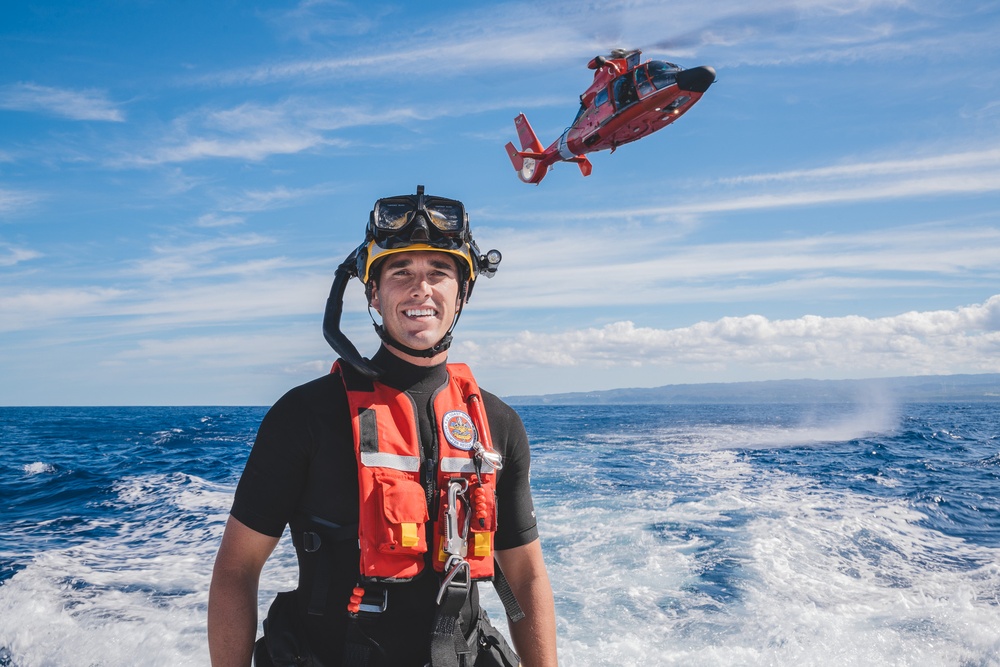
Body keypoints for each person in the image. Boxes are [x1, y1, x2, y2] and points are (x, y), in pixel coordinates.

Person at [208, 186, 558, 667]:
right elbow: (236, 568)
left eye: (439, 272)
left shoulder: (497, 424)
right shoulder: (305, 415)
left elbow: (526, 578)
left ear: (463, 292)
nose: (421, 289)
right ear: (373, 292)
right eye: (400, 273)